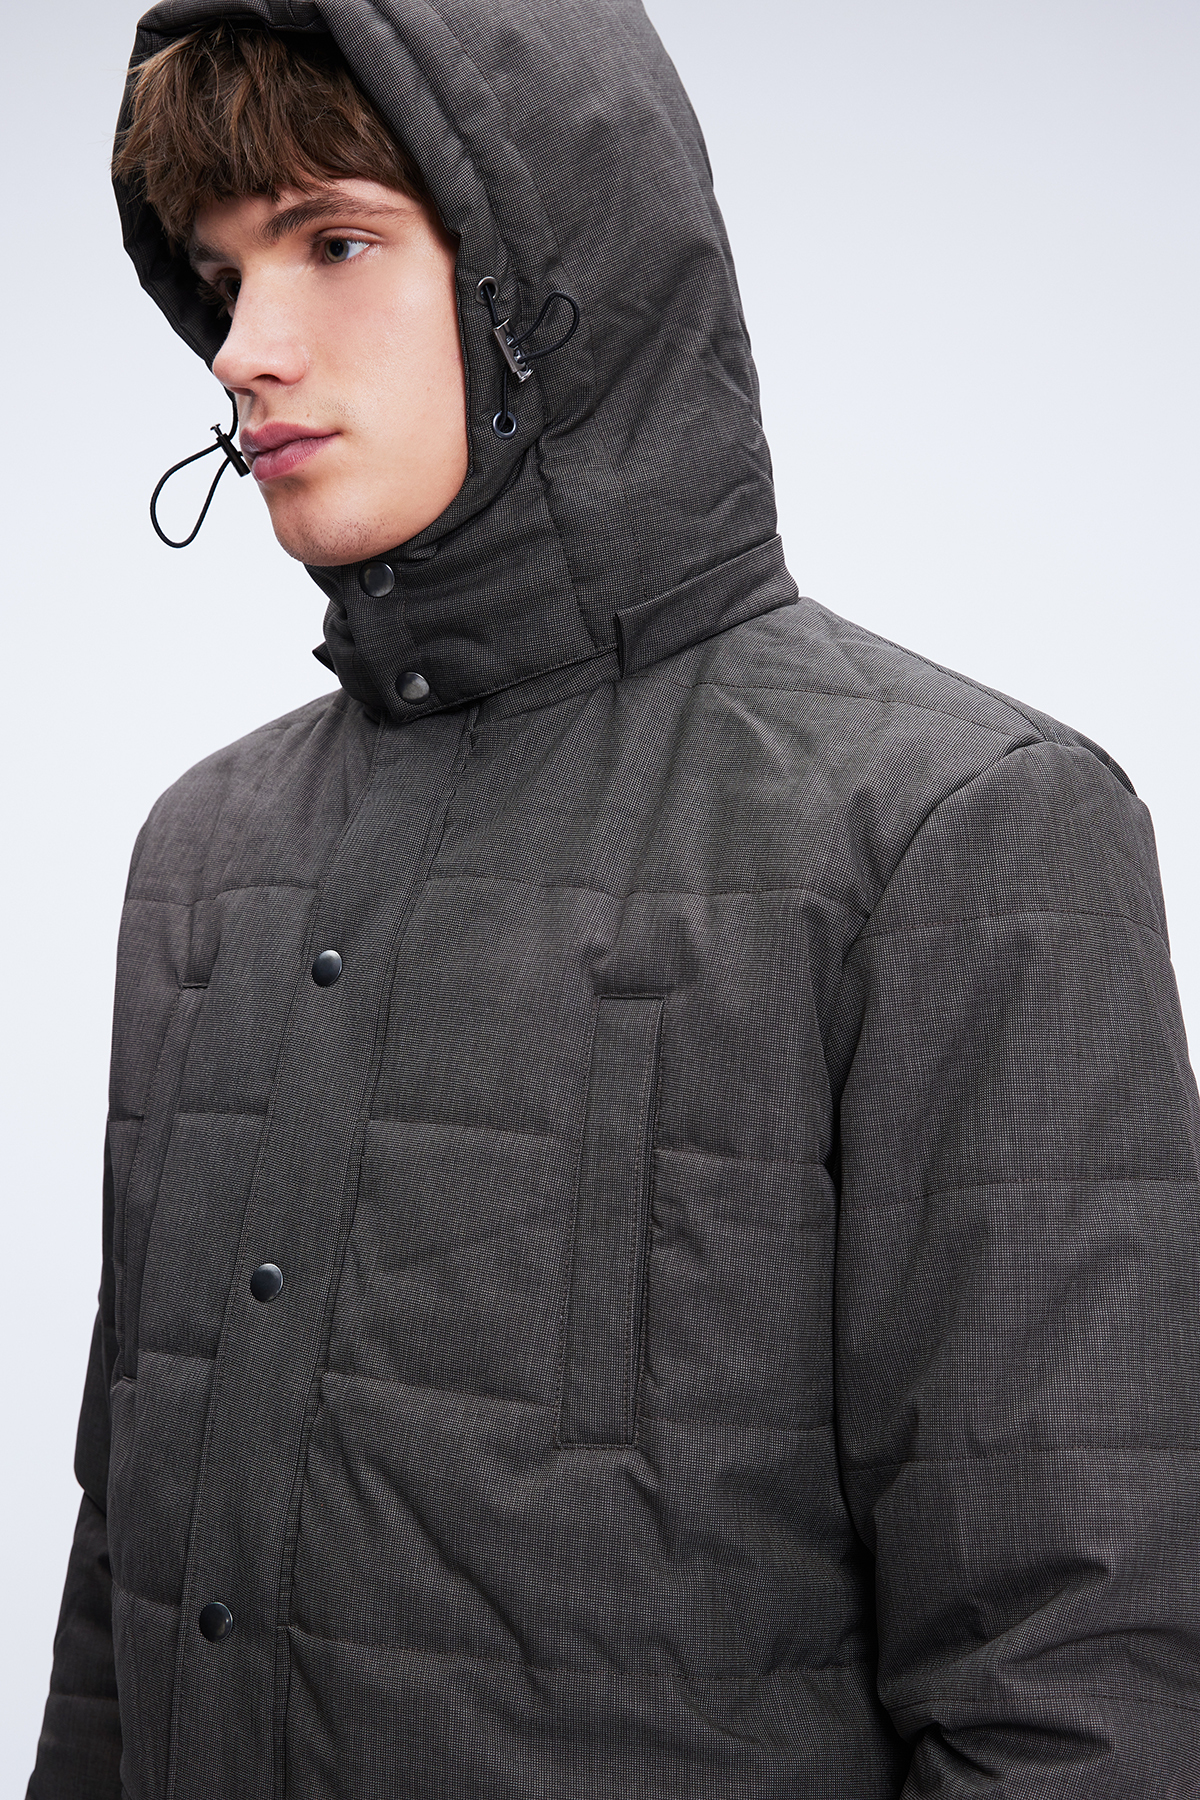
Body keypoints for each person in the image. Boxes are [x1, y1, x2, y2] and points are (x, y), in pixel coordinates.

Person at [28, 2, 1200, 1796]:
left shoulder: (959, 834)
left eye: (333, 243)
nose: (247, 349)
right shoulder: (209, 853)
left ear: (547, 269)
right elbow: (125, 1572)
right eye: (220, 274)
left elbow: (1079, 1673)